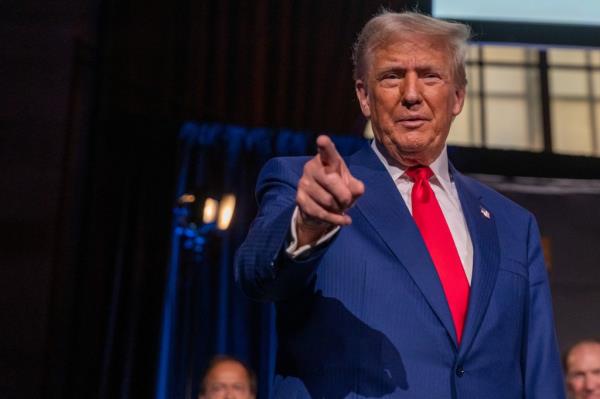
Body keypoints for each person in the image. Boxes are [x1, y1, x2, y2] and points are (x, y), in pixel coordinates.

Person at [235, 10, 566, 398]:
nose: (412, 94)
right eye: (392, 76)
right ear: (364, 96)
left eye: (430, 75)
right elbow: (256, 275)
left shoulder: (514, 224)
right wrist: (307, 224)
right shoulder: (309, 186)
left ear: (457, 96)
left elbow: (540, 370)